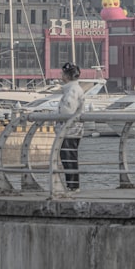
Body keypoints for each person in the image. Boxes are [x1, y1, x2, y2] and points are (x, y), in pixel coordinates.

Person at [46, 62, 85, 191]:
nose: (61, 76)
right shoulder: (74, 89)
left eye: (63, 74)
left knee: (68, 157)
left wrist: (56, 116)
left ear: (67, 76)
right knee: (69, 157)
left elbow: (67, 111)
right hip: (73, 129)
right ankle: (72, 185)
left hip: (70, 130)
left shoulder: (72, 90)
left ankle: (72, 186)